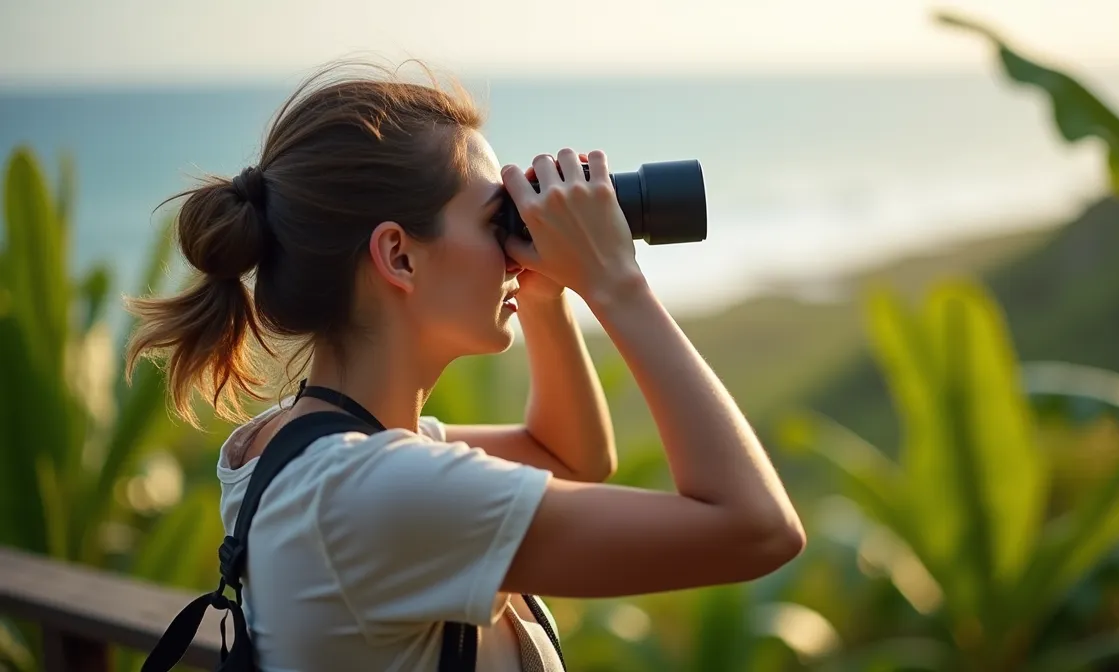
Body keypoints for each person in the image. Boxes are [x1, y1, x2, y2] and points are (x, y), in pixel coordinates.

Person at [124, 61, 805, 672]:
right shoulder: (376, 490)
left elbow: (568, 458)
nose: (514, 246)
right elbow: (758, 531)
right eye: (495, 220)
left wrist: (546, 294)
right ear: (399, 257)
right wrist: (616, 283)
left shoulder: (308, 449)